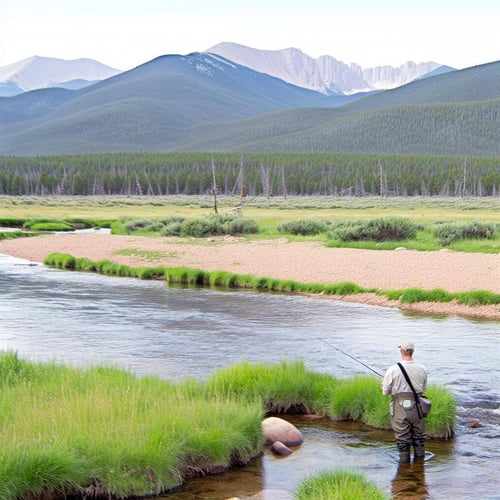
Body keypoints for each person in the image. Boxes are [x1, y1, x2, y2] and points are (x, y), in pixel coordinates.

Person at [382, 340, 428, 462]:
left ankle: (404, 467)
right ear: (413, 351)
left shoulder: (392, 370)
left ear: (401, 351)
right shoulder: (422, 369)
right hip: (417, 409)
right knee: (419, 438)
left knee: (402, 439)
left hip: (400, 410)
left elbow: (385, 393)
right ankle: (420, 466)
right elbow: (423, 390)